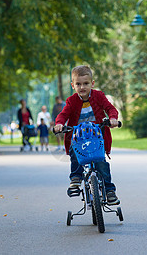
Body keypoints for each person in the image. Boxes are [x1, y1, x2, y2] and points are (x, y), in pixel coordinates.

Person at [54, 65, 120, 205]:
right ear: (73, 85)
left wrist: (113, 118)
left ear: (92, 83)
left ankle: (109, 190)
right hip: (79, 137)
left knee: (101, 163)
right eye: (78, 84)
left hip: (97, 136)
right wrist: (59, 124)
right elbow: (63, 114)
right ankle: (76, 178)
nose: (82, 87)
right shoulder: (71, 101)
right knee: (75, 151)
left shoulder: (99, 96)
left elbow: (110, 108)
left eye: (86, 83)